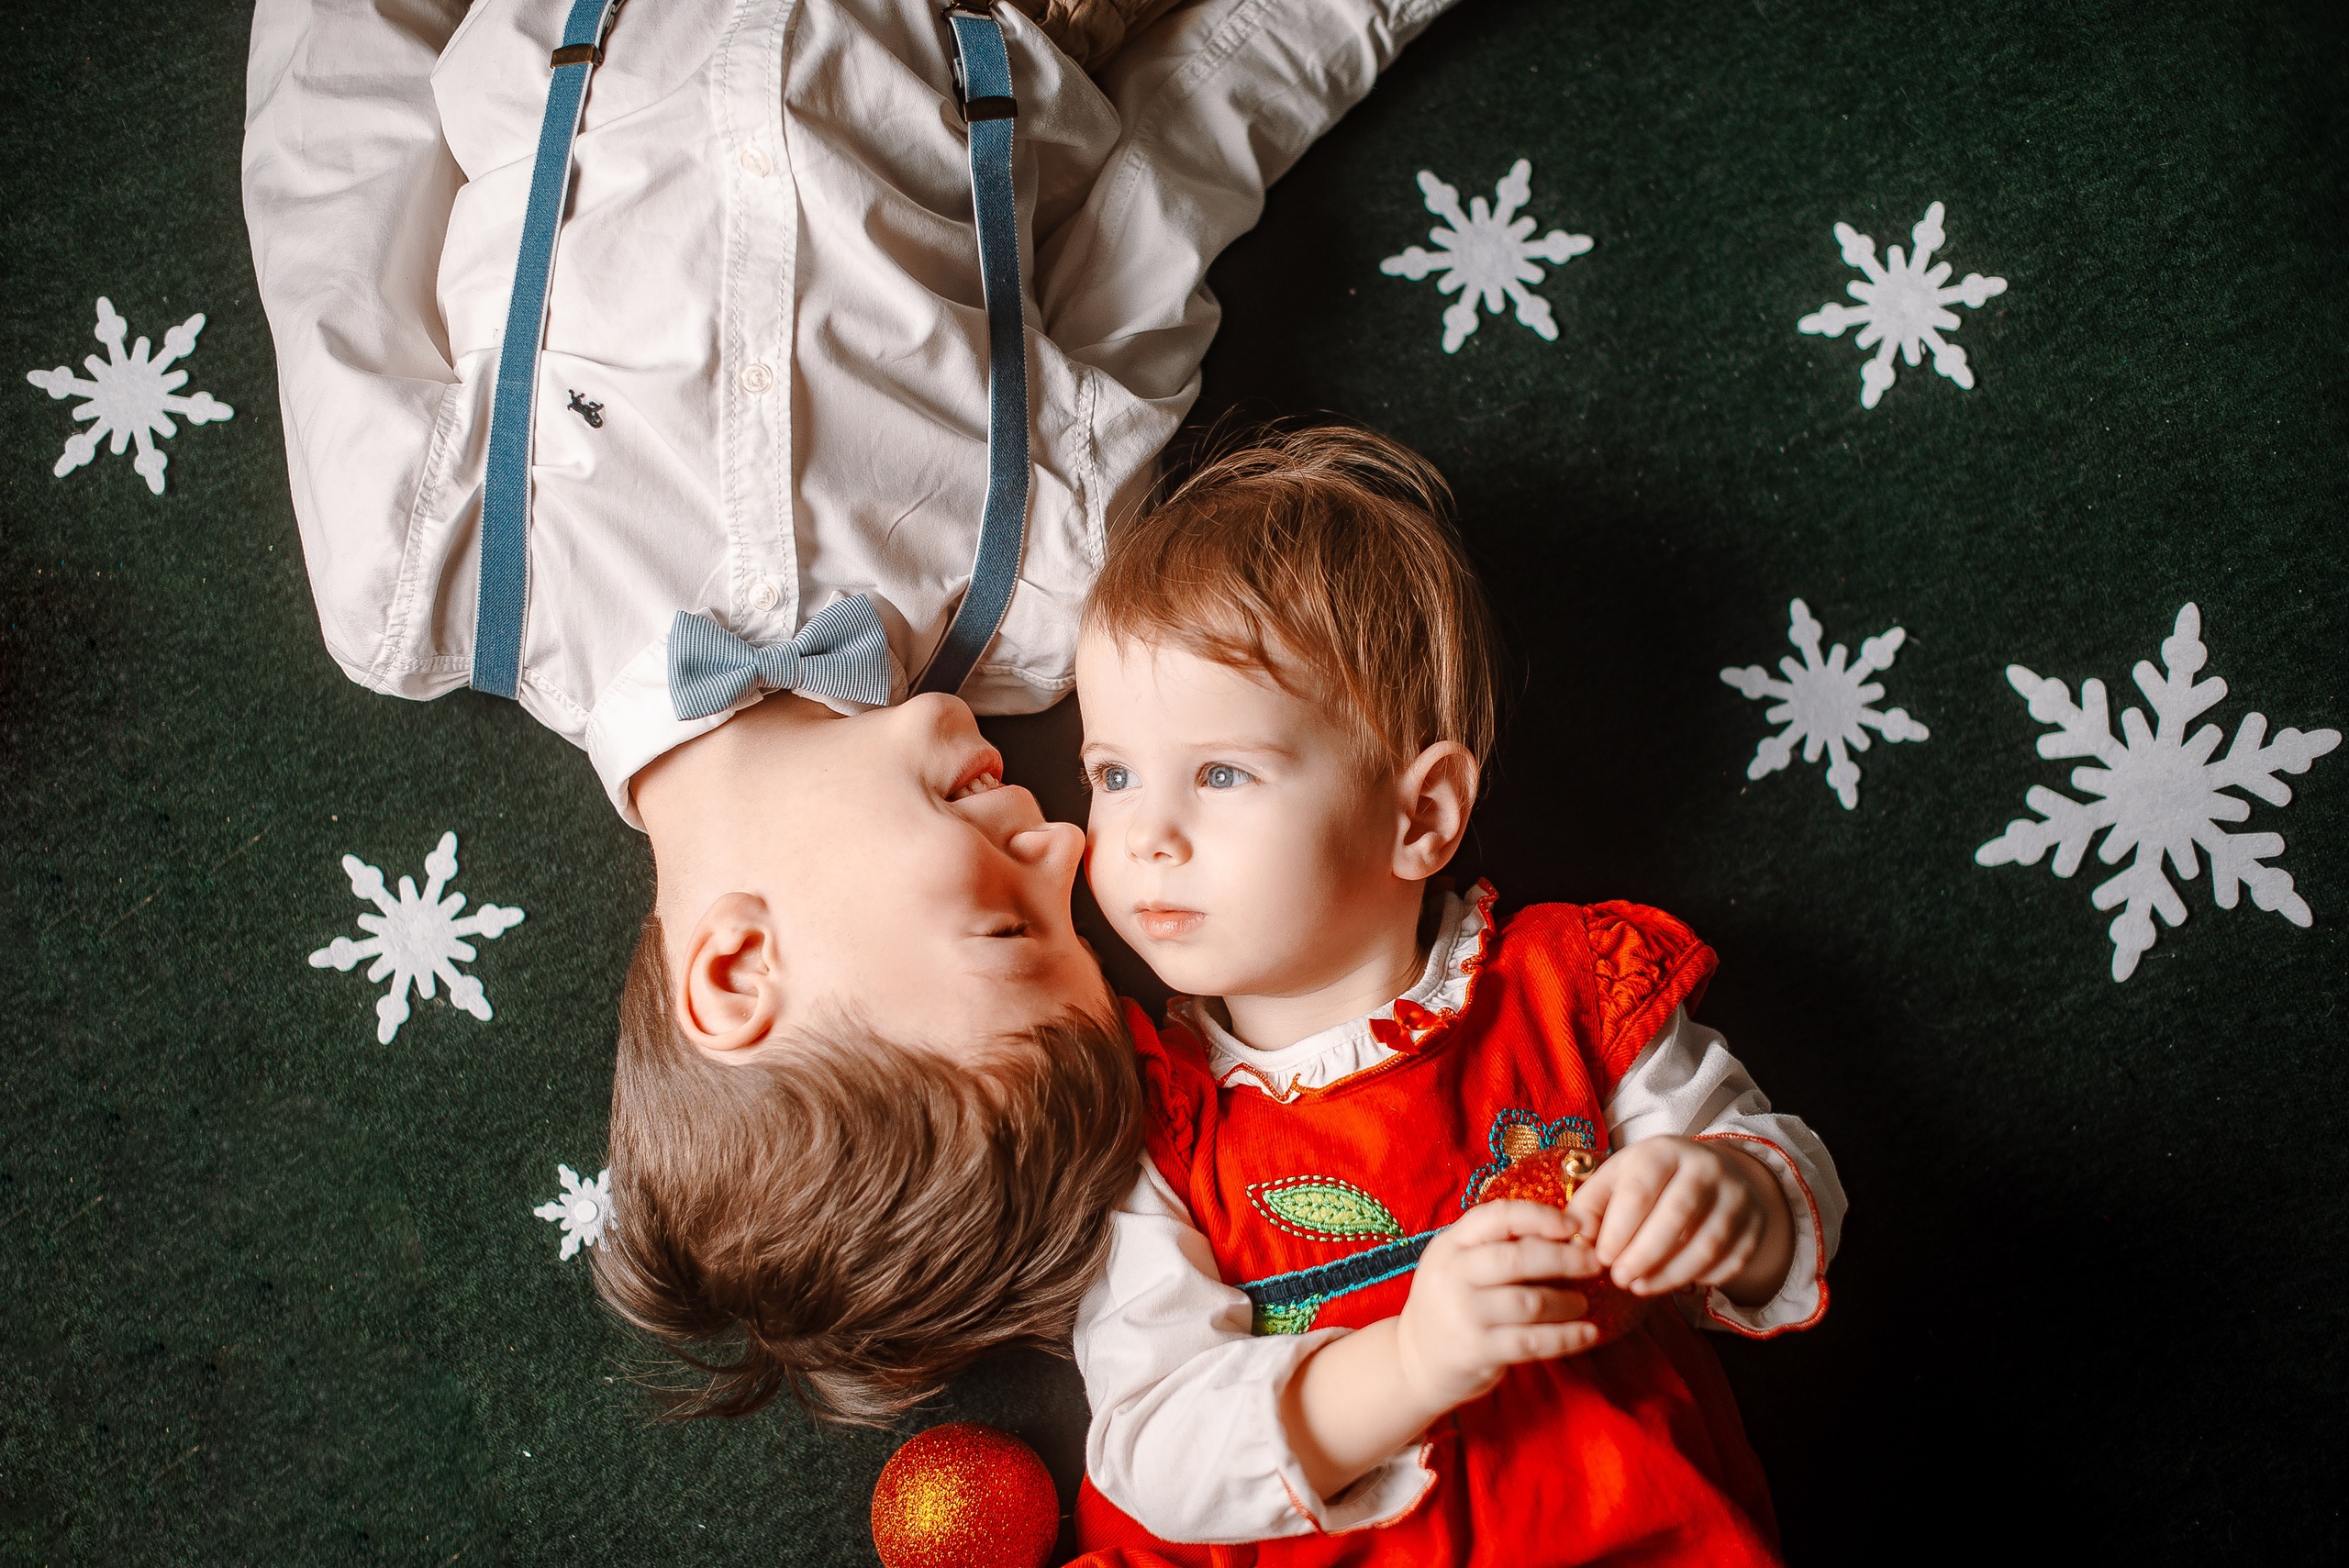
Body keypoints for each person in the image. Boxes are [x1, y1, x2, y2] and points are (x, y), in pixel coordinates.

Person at [240, 0, 1466, 1419]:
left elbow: (335, 148)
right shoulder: (1050, 585)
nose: (1077, 853)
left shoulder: (422, 577)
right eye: (1080, 915)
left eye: (1014, 926)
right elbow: (1179, 160)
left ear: (738, 973)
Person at [1065, 426, 1845, 1562]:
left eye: (1220, 772)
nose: (1146, 835)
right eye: (1112, 773)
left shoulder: (1568, 993)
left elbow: (1787, 1166)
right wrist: (1409, 1363)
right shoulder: (1153, 1121)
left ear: (1419, 815)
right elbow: (1151, 1445)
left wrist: (1729, 1193)